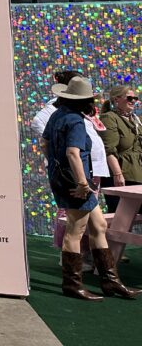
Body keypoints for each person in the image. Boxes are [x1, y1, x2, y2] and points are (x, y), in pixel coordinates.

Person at [43, 76, 139, 300]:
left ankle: (110, 281)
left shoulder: (58, 116)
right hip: (78, 183)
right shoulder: (75, 121)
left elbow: (45, 143)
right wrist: (82, 183)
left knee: (98, 227)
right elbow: (73, 153)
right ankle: (72, 284)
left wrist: (56, 171)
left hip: (65, 179)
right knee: (75, 231)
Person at [99, 85, 142, 214]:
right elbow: (109, 150)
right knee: (122, 217)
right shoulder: (109, 118)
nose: (133, 100)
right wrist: (118, 174)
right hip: (122, 176)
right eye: (129, 97)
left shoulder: (136, 120)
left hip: (137, 174)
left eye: (135, 98)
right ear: (116, 99)